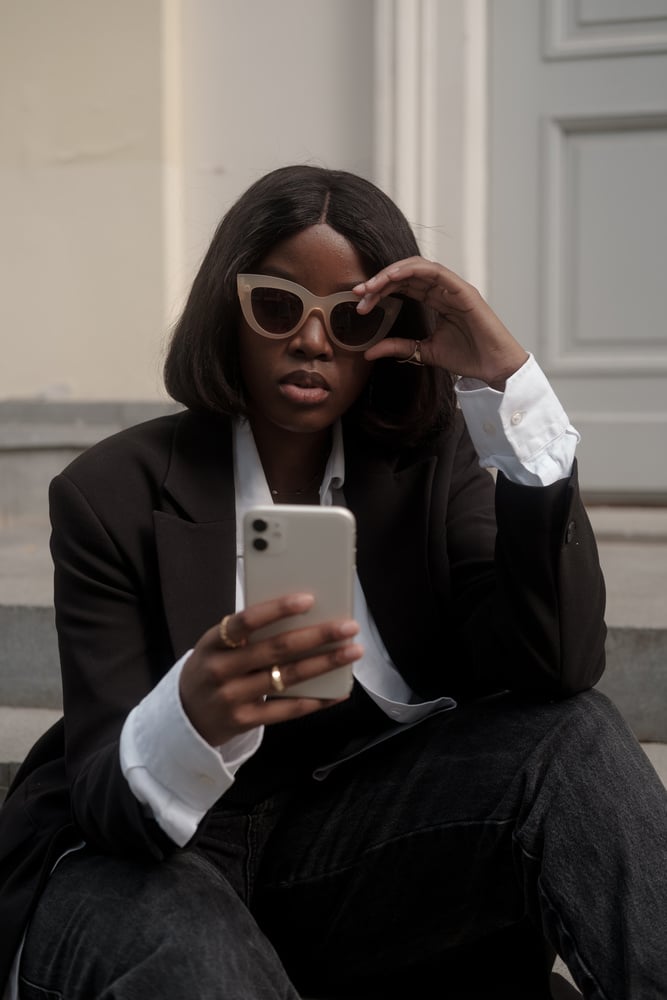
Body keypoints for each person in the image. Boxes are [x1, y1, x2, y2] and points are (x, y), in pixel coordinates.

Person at [0, 164, 665, 1000]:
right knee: (200, 959)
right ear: (229, 313)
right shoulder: (110, 494)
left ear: (387, 331)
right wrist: (188, 715)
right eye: (276, 307)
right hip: (162, 852)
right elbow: (103, 796)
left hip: (348, 850)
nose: (311, 341)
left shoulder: (429, 466)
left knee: (577, 739)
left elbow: (554, 666)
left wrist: (507, 388)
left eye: (350, 317)